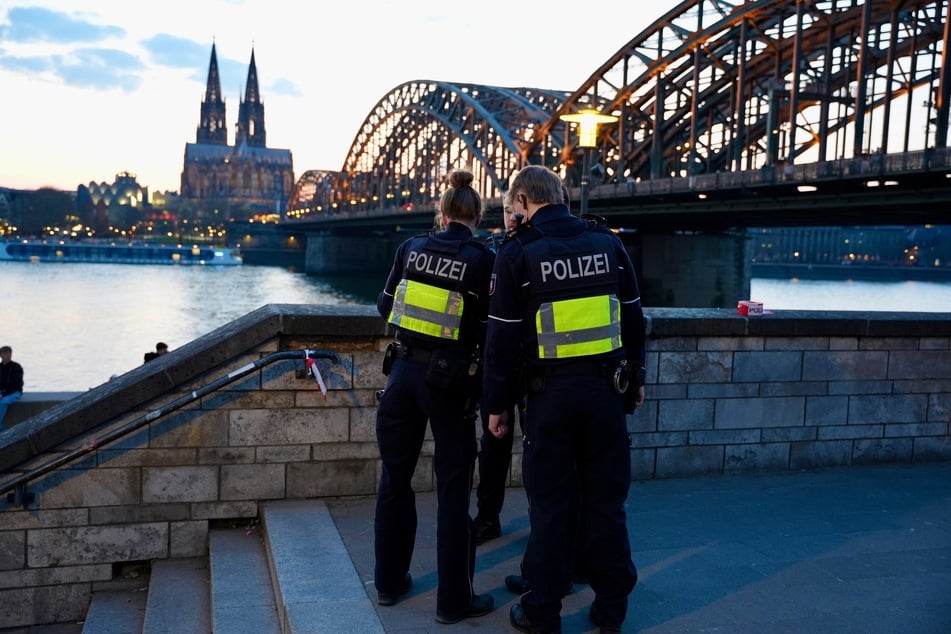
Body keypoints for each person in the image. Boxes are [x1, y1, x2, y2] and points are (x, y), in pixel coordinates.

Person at [483, 165, 646, 633]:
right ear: (562, 197)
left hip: (550, 397)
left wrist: (496, 404)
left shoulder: (518, 253)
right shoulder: (608, 243)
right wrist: (636, 376)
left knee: (550, 506)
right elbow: (633, 319)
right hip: (604, 394)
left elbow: (502, 342)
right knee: (607, 504)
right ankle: (612, 608)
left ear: (521, 200)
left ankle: (543, 611)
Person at [374, 169, 496, 624]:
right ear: (477, 218)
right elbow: (488, 328)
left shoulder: (410, 249)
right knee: (452, 491)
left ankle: (388, 582)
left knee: (395, 480)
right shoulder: (482, 260)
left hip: (402, 374)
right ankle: (452, 602)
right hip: (449, 384)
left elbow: (386, 306)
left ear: (441, 213)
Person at [473, 188, 526, 546]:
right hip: (500, 363)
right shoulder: (494, 251)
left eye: (514, 210)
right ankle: (487, 517)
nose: (509, 217)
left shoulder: (530, 250)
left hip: (533, 363)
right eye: (504, 210)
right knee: (493, 445)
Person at [0, 345, 25, 427]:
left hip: (15, 392)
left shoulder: (16, 367)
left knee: (3, 402)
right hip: (2, 392)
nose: (8, 355)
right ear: (1, 355)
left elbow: (17, 384)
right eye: (6, 354)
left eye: (10, 353)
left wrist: (3, 393)